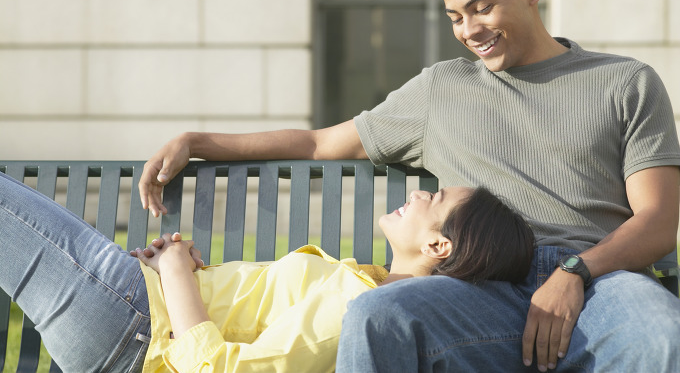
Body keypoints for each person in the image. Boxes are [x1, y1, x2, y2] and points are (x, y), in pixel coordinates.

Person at [139, 0, 680, 372]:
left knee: (659, 333)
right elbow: (321, 142)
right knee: (378, 314)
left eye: (481, 7)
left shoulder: (623, 82)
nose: (469, 30)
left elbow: (657, 221)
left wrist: (574, 272)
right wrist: (198, 142)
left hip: (599, 282)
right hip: (477, 288)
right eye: (455, 17)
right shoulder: (440, 90)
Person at [0, 169, 533, 372]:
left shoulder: (358, 309)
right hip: (134, 310)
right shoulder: (365, 284)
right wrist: (184, 272)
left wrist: (178, 273)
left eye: (432, 197)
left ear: (439, 244)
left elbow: (216, 371)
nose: (417, 192)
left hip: (132, 327)